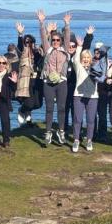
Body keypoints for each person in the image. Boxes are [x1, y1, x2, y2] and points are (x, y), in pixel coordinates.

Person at [38, 9, 71, 147]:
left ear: (61, 41)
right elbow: (43, 38)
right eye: (54, 40)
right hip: (48, 82)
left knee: (62, 108)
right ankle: (48, 132)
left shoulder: (65, 51)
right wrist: (41, 23)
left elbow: (67, 37)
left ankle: (61, 132)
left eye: (58, 40)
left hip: (62, 82)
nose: (56, 42)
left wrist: (67, 24)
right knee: (49, 108)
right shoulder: (48, 50)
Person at [69, 26, 98, 153]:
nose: (85, 59)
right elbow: (75, 59)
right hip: (78, 95)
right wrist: (80, 47)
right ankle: (76, 140)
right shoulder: (78, 67)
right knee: (77, 119)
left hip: (93, 97)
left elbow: (103, 74)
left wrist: (89, 36)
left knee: (91, 120)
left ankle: (89, 140)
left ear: (90, 59)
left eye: (87, 58)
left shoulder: (95, 68)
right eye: (84, 58)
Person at [14, 22, 43, 126]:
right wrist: (20, 34)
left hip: (37, 81)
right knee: (29, 103)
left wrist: (49, 33)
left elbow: (45, 49)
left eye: (31, 42)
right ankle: (22, 110)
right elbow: (20, 47)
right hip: (27, 81)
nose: (29, 44)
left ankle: (27, 114)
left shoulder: (38, 53)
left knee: (38, 104)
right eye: (27, 42)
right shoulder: (23, 54)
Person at [92, 42, 112, 142]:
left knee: (102, 114)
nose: (98, 53)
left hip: (103, 92)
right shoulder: (90, 62)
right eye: (96, 51)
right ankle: (93, 134)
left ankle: (103, 135)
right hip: (92, 92)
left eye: (100, 52)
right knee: (92, 115)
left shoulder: (108, 63)